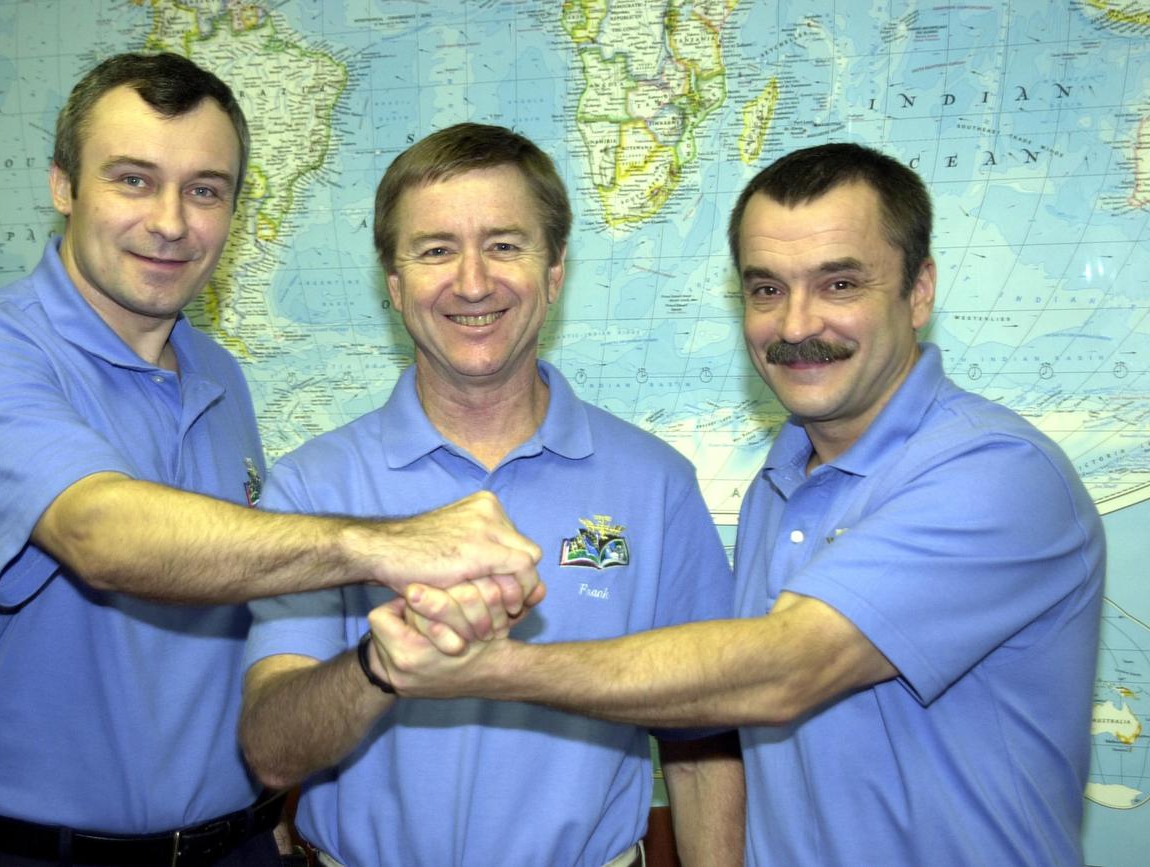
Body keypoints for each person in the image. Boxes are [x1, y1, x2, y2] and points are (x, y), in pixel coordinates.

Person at [366, 142, 1106, 865]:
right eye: (766, 288)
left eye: (840, 284)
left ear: (919, 291)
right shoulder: (778, 489)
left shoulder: (997, 473)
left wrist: (481, 668)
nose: (796, 325)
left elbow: (784, 667)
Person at [0, 55, 540, 867]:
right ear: (63, 185)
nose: (171, 222)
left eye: (205, 189)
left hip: (237, 847)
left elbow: (236, 606)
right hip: (32, 853)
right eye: (133, 180)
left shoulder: (220, 375)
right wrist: (385, 542)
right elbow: (103, 534)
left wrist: (271, 798)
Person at [238, 123, 740, 867]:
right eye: (436, 249)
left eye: (505, 244)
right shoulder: (314, 486)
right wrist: (384, 661)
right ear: (395, 284)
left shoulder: (655, 484)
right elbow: (273, 751)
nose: (473, 281)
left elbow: (703, 743)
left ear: (556, 273)